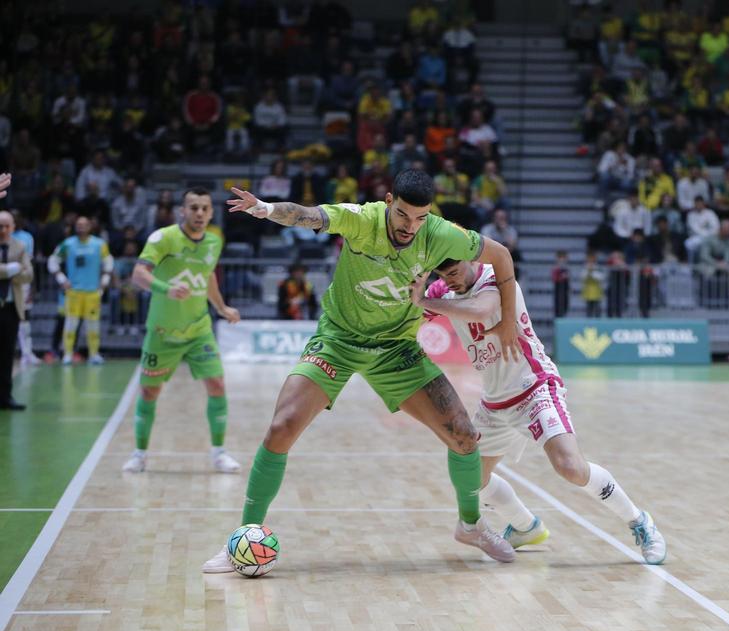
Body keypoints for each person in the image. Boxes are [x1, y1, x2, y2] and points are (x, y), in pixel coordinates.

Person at [202, 169, 522, 573]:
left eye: (421, 218)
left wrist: (508, 319)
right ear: (389, 202)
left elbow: (502, 256)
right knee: (281, 428)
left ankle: (471, 524)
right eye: (404, 216)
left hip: (396, 348)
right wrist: (265, 209)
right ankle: (244, 538)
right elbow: (308, 215)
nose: (411, 227)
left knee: (464, 436)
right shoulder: (362, 219)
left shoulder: (442, 234)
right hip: (339, 341)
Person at [415, 258, 667, 563]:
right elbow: (415, 308)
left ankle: (640, 521)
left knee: (570, 467)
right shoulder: (444, 289)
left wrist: (426, 299)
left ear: (470, 260)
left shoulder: (495, 277)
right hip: (495, 401)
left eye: (454, 272)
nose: (450, 280)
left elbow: (480, 310)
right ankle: (526, 527)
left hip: (534, 388)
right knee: (471, 479)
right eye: (444, 275)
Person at [122, 188, 242, 473]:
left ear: (211, 213)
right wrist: (167, 288)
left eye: (204, 208)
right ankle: (139, 453)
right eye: (193, 208)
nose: (199, 213)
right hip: (162, 332)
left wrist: (222, 308)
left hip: (199, 330)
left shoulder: (213, 241)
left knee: (217, 385)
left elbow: (208, 275)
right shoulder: (163, 238)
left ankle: (219, 453)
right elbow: (138, 274)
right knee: (150, 392)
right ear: (182, 211)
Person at [47, 216, 114, 365]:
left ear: (90, 226)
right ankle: (68, 354)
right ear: (75, 227)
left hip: (92, 292)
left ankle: (94, 354)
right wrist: (61, 279)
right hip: (74, 292)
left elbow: (108, 262)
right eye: (78, 224)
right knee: (71, 324)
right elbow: (52, 261)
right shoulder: (68, 244)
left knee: (93, 325)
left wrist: (104, 282)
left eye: (84, 224)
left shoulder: (99, 244)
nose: (81, 227)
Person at [0, 209, 34, 410]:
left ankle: (5, 397)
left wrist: (11, 272)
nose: (3, 230)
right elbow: (19, 271)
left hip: (11, 307)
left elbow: (28, 275)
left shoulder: (20, 246)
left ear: (13, 227)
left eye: (6, 226)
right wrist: (11, 269)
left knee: (7, 354)